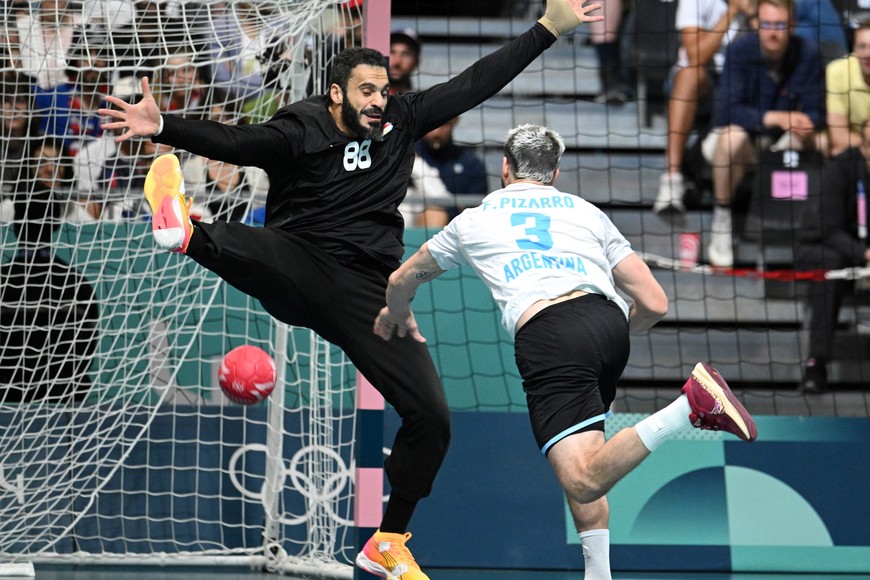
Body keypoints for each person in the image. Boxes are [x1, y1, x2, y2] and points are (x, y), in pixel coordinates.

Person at [99, 2, 605, 578]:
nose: (376, 100)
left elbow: (474, 83)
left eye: (382, 90)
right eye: (365, 90)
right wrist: (163, 126)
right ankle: (186, 232)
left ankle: (388, 541)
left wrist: (545, 30)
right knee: (260, 248)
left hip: (367, 292)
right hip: (301, 262)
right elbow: (238, 144)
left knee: (432, 418)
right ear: (336, 94)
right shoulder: (301, 126)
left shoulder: (404, 119)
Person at [373, 123, 758, 579]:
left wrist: (397, 313)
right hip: (609, 324)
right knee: (585, 474)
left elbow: (401, 280)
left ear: (505, 168)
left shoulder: (474, 220)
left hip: (550, 334)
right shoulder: (586, 212)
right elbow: (655, 302)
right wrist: (607, 336)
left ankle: (687, 408)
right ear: (554, 174)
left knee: (581, 476)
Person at [707, 0, 825, 267]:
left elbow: (819, 112)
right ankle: (722, 218)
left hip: (784, 142)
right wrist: (776, 117)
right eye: (767, 24)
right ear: (755, 24)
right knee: (731, 139)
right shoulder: (739, 51)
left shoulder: (808, 53)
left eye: (780, 25)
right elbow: (727, 112)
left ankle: (813, 226)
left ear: (792, 26)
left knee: (822, 139)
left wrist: (805, 121)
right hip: (743, 138)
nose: (773, 32)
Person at [0, 137, 99, 403]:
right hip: (64, 397)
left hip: (8, 396)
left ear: (15, 225)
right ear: (55, 224)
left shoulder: (3, 281)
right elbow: (85, 347)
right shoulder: (77, 283)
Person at [653, 0, 755, 214]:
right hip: (705, 80)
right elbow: (696, 55)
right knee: (690, 73)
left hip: (744, 79)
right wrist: (733, 10)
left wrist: (755, 16)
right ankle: (672, 180)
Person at [795, 121, 870, 394]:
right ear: (862, 144)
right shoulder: (840, 168)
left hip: (859, 255)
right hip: (821, 247)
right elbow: (829, 229)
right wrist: (864, 254)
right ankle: (816, 366)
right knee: (830, 264)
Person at [401, 116, 488, 228]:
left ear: (455, 121)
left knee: (436, 214)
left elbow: (476, 213)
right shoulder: (403, 156)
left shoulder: (471, 164)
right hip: (407, 228)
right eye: (431, 125)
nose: (436, 132)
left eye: (443, 124)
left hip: (456, 231)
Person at [826, 14, 870, 158]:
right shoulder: (837, 72)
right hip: (853, 154)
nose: (867, 54)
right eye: (862, 46)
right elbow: (838, 138)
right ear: (854, 49)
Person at [389, 27, 420, 94]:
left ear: (416, 62)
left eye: (406, 54)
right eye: (392, 52)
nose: (397, 61)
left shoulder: (418, 103)